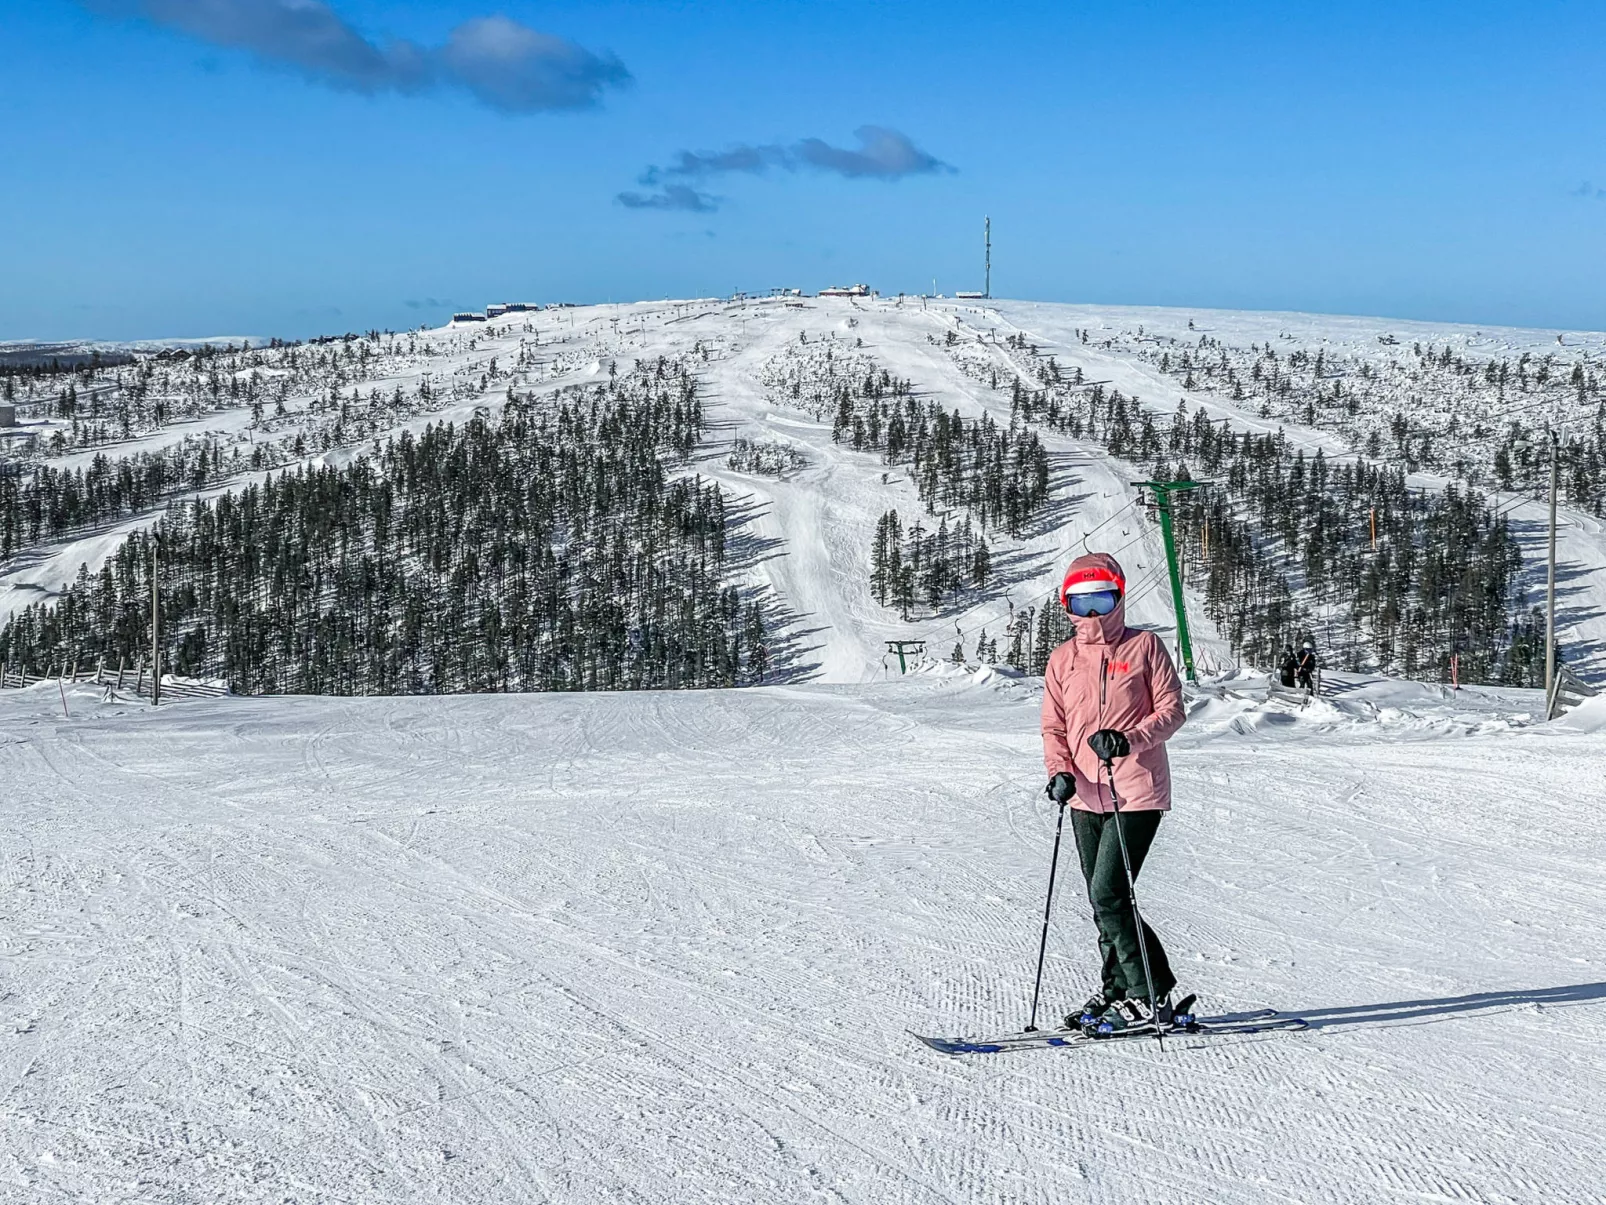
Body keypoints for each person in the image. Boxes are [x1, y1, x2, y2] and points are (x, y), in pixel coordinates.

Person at [1041, 552, 1187, 1033]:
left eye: (1101, 600)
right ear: (1067, 605)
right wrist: (1060, 771)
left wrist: (1130, 739)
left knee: (1109, 893)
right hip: (1084, 794)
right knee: (1103, 900)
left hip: (1137, 789)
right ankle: (1117, 992)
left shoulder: (1144, 647)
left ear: (1119, 597)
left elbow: (1171, 712)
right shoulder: (1063, 659)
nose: (1091, 614)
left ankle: (1150, 994)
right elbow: (1053, 726)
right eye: (1080, 602)